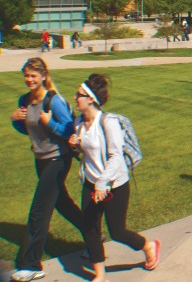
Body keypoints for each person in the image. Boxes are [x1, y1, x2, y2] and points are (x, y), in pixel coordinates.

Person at [68, 74, 160, 281]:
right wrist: (75, 146)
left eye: (78, 94)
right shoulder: (79, 123)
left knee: (117, 231)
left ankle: (148, 246)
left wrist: (102, 183)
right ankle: (100, 275)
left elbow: (115, 156)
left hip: (115, 184)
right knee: (90, 228)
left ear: (90, 99)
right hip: (91, 183)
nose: (75, 98)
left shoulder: (108, 122)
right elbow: (86, 154)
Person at [10, 58, 84, 282]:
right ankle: (93, 233)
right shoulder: (25, 100)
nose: (29, 80)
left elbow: (70, 130)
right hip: (40, 158)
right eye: (26, 75)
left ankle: (30, 264)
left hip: (58, 159)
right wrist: (15, 120)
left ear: (43, 76)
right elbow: (30, 129)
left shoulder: (54, 101)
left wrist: (49, 122)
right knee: (62, 203)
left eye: (33, 75)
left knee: (39, 210)